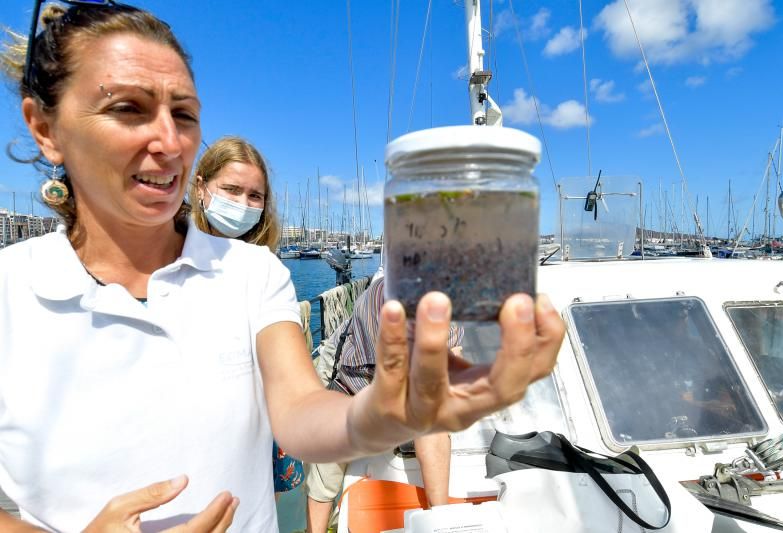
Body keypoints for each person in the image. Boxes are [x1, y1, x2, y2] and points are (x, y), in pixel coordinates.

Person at [0, 2, 564, 532]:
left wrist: (381, 416)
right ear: (45, 129)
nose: (170, 141)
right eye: (128, 108)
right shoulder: (10, 290)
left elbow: (297, 407)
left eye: (185, 114)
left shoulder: (252, 273)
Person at [189, 135, 304, 501]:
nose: (242, 204)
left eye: (255, 196)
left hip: (261, 428)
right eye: (232, 190)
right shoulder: (166, 257)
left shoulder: (266, 267)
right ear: (201, 187)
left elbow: (290, 375)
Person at [306, 275, 462, 532]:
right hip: (347, 378)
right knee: (326, 467)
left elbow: (453, 351)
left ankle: (440, 520)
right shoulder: (381, 301)